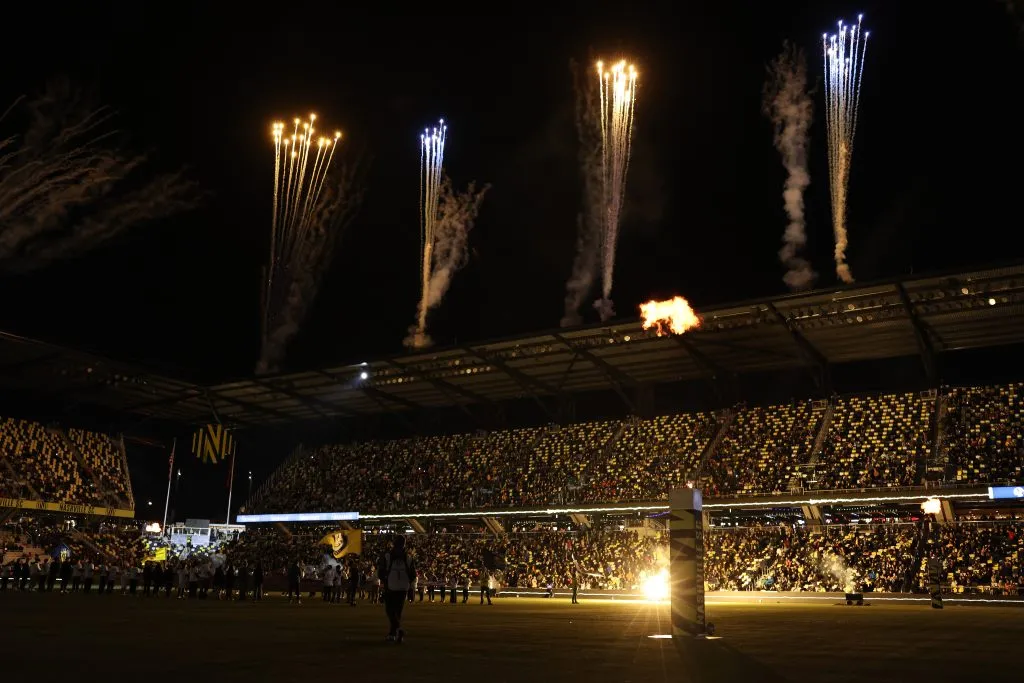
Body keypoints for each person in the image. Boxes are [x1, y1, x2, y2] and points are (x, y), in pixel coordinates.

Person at [377, 535, 416, 643]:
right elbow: (413, 574)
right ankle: (394, 633)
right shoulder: (408, 557)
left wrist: (385, 580)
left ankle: (396, 631)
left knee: (390, 610)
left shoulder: (388, 555)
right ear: (404, 544)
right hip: (403, 587)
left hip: (391, 585)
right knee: (397, 611)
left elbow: (381, 571)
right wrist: (408, 584)